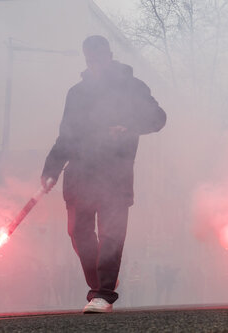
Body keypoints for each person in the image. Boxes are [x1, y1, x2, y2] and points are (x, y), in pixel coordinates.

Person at [41, 35, 167, 313]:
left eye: (98, 58)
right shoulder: (76, 93)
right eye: (89, 60)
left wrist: (128, 125)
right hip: (79, 176)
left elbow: (158, 117)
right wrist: (50, 170)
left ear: (109, 56)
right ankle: (101, 283)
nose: (94, 64)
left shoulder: (132, 87)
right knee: (78, 233)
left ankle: (103, 295)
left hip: (115, 175)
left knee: (111, 235)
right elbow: (66, 136)